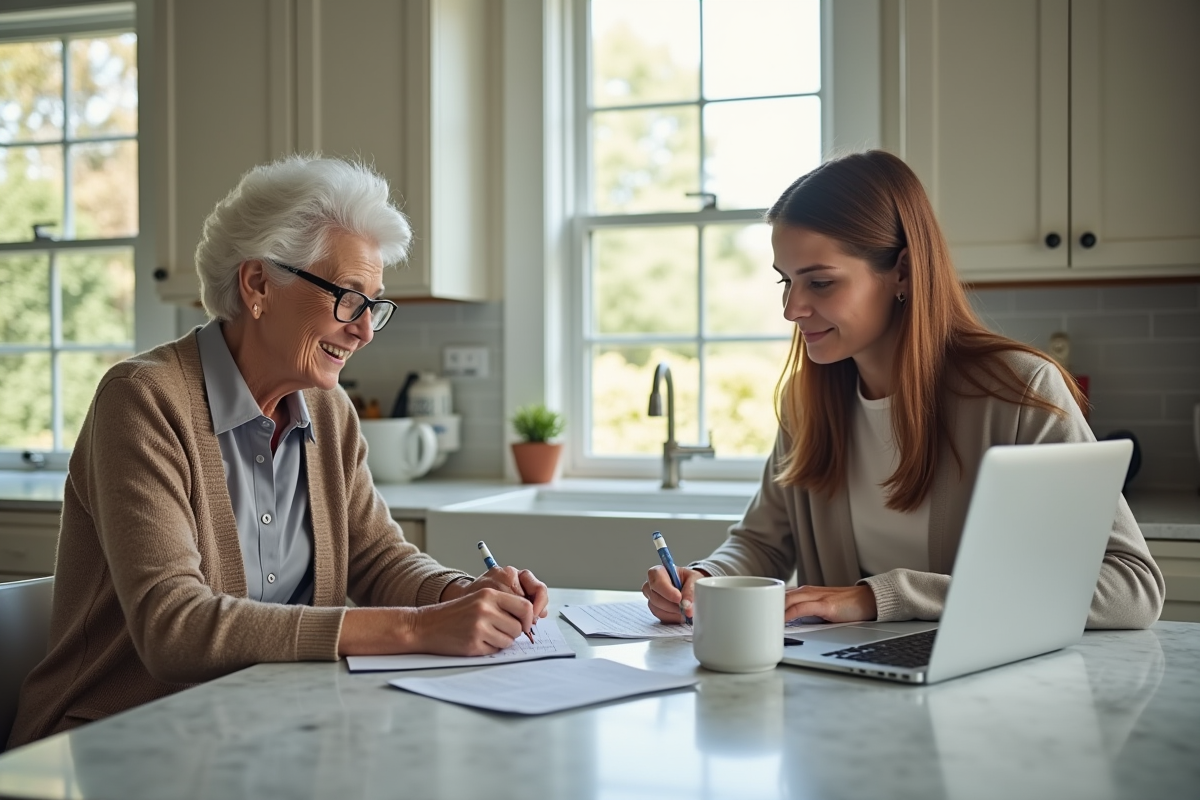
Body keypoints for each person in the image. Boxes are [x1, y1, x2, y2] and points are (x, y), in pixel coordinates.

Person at [8, 156, 547, 749]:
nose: (365, 330)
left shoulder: (328, 409)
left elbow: (375, 559)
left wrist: (459, 593)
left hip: (259, 729)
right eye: (348, 297)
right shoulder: (142, 401)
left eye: (375, 305)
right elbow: (175, 628)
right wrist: (418, 627)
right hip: (112, 741)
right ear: (259, 284)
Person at [643, 150, 1164, 630]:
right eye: (786, 281)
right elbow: (760, 543)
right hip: (845, 692)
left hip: (988, 694)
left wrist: (883, 597)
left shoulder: (1018, 392)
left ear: (903, 272)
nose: (792, 308)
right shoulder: (805, 403)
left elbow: (1131, 588)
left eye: (820, 282)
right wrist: (705, 578)